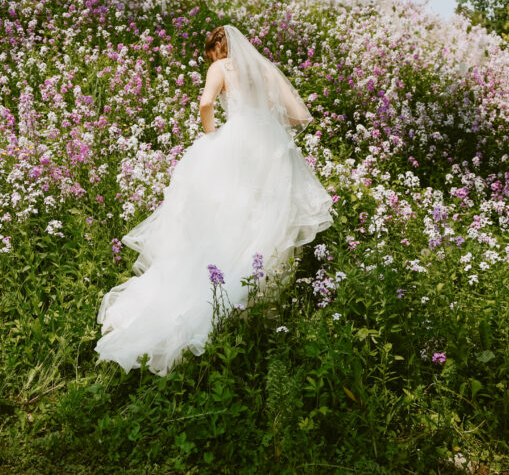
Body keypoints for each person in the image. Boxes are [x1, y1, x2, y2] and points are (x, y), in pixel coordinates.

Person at [94, 24, 334, 376]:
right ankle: (258, 306)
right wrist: (269, 119)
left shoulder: (221, 67)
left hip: (236, 142)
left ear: (216, 51)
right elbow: (299, 115)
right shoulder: (264, 68)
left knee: (225, 218)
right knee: (263, 221)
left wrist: (212, 138)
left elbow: (206, 102)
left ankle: (214, 299)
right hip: (270, 146)